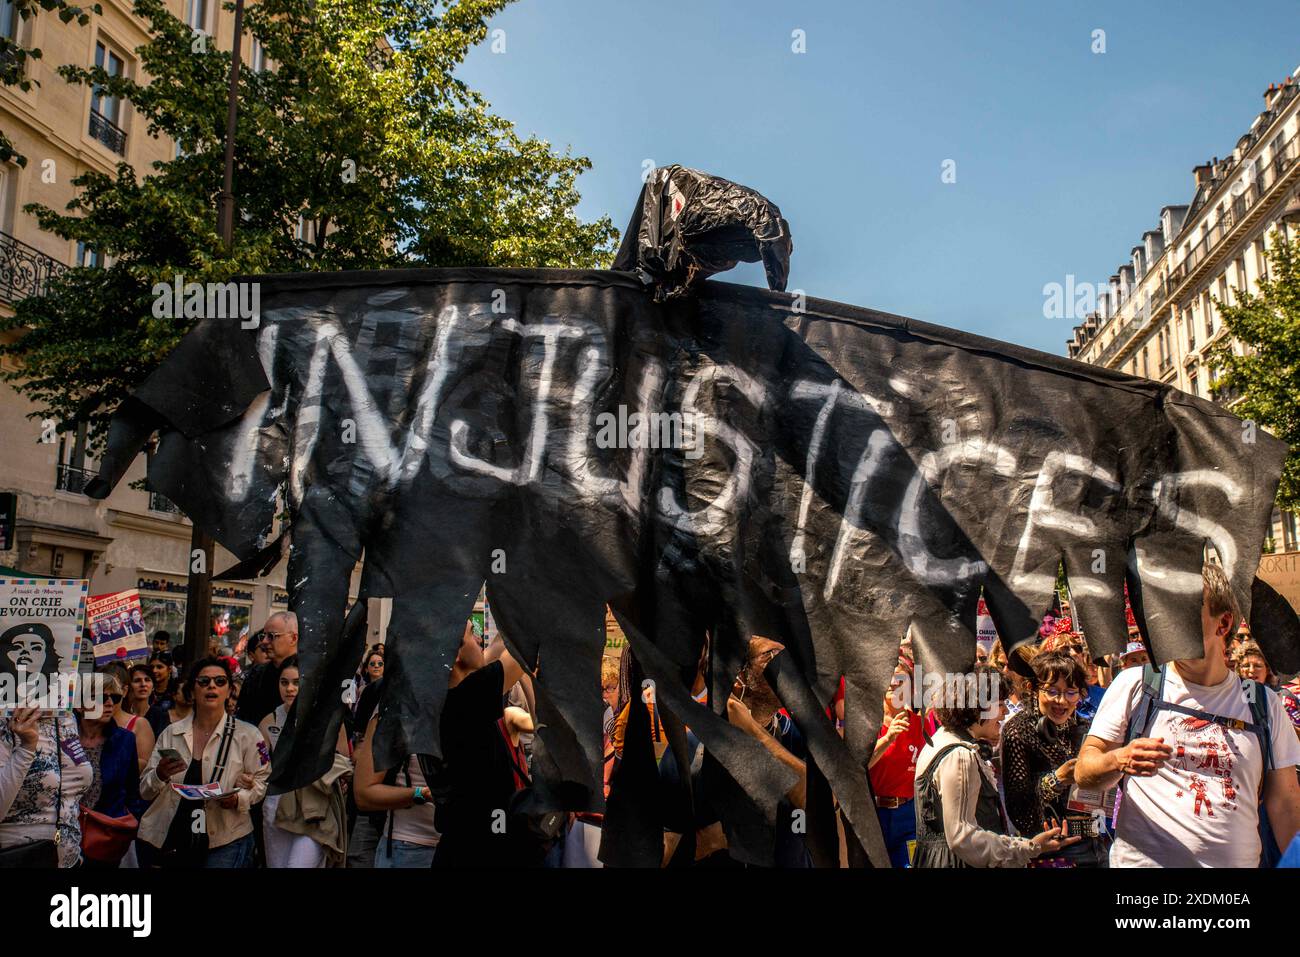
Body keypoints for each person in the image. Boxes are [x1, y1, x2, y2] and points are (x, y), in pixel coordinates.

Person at [1076, 563, 1300, 867]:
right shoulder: (1137, 684)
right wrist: (1119, 759)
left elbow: (1286, 806)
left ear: (1223, 625)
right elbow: (1084, 771)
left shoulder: (1264, 704)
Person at [912, 665, 1076, 868]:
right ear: (975, 706)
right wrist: (1030, 847)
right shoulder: (960, 755)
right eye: (999, 704)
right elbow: (963, 837)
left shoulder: (943, 740)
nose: (1005, 711)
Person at [137, 657, 270, 868]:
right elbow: (145, 790)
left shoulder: (248, 735)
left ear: (229, 690)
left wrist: (238, 798)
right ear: (192, 690)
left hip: (226, 838)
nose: (211, 687)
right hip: (174, 837)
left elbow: (262, 781)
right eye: (204, 681)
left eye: (220, 681)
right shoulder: (172, 733)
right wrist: (160, 774)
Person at [431, 622, 538, 868]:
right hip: (482, 851)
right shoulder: (467, 699)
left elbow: (500, 644)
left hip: (456, 847)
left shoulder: (440, 700)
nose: (480, 639)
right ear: (455, 654)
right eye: (473, 633)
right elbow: (522, 643)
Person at [1000, 651, 1107, 867]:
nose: (1061, 701)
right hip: (1052, 850)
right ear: (1033, 689)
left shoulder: (1086, 730)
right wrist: (1057, 779)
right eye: (1052, 691)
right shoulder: (1018, 731)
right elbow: (1017, 806)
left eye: (1070, 692)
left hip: (1097, 843)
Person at [258, 657, 351, 867]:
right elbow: (259, 767)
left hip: (315, 808)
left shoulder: (330, 719)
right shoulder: (269, 721)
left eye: (296, 682)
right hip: (276, 806)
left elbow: (344, 765)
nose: (290, 689)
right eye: (284, 682)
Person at [354, 688, 441, 868]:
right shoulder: (396, 708)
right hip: (409, 849)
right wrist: (421, 794)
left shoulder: (466, 703)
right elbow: (364, 794)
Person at [0, 707, 93, 866]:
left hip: (69, 860)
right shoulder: (4, 717)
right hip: (17, 859)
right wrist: (27, 747)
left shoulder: (66, 716)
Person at [77, 673, 143, 868]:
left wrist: (124, 829)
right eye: (99, 697)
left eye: (114, 698)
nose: (108, 703)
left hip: (104, 840)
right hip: (64, 836)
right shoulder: (63, 738)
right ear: (80, 705)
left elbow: (132, 792)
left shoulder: (125, 740)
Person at [868, 665, 925, 868]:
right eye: (889, 678)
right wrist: (888, 738)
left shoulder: (921, 726)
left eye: (901, 679)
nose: (894, 683)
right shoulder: (867, 724)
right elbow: (858, 767)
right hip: (874, 816)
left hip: (908, 816)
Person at [237, 611, 298, 728]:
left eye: (271, 636)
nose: (264, 641)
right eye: (263, 636)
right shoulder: (255, 674)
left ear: (293, 638)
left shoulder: (311, 675)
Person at [0, 622, 64, 704]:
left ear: (48, 655)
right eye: (17, 647)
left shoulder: (56, 693)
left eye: (36, 648)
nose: (25, 651)